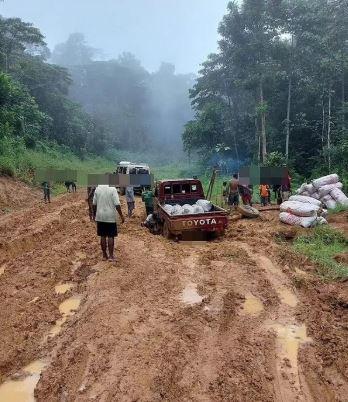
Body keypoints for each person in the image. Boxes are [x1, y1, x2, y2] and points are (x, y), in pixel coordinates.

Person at [93, 185, 125, 262]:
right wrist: (121, 216)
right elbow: (117, 204)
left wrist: (95, 215)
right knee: (111, 236)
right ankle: (111, 256)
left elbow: (94, 204)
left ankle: (104, 255)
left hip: (100, 216)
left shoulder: (97, 189)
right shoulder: (113, 189)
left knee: (102, 236)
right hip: (110, 216)